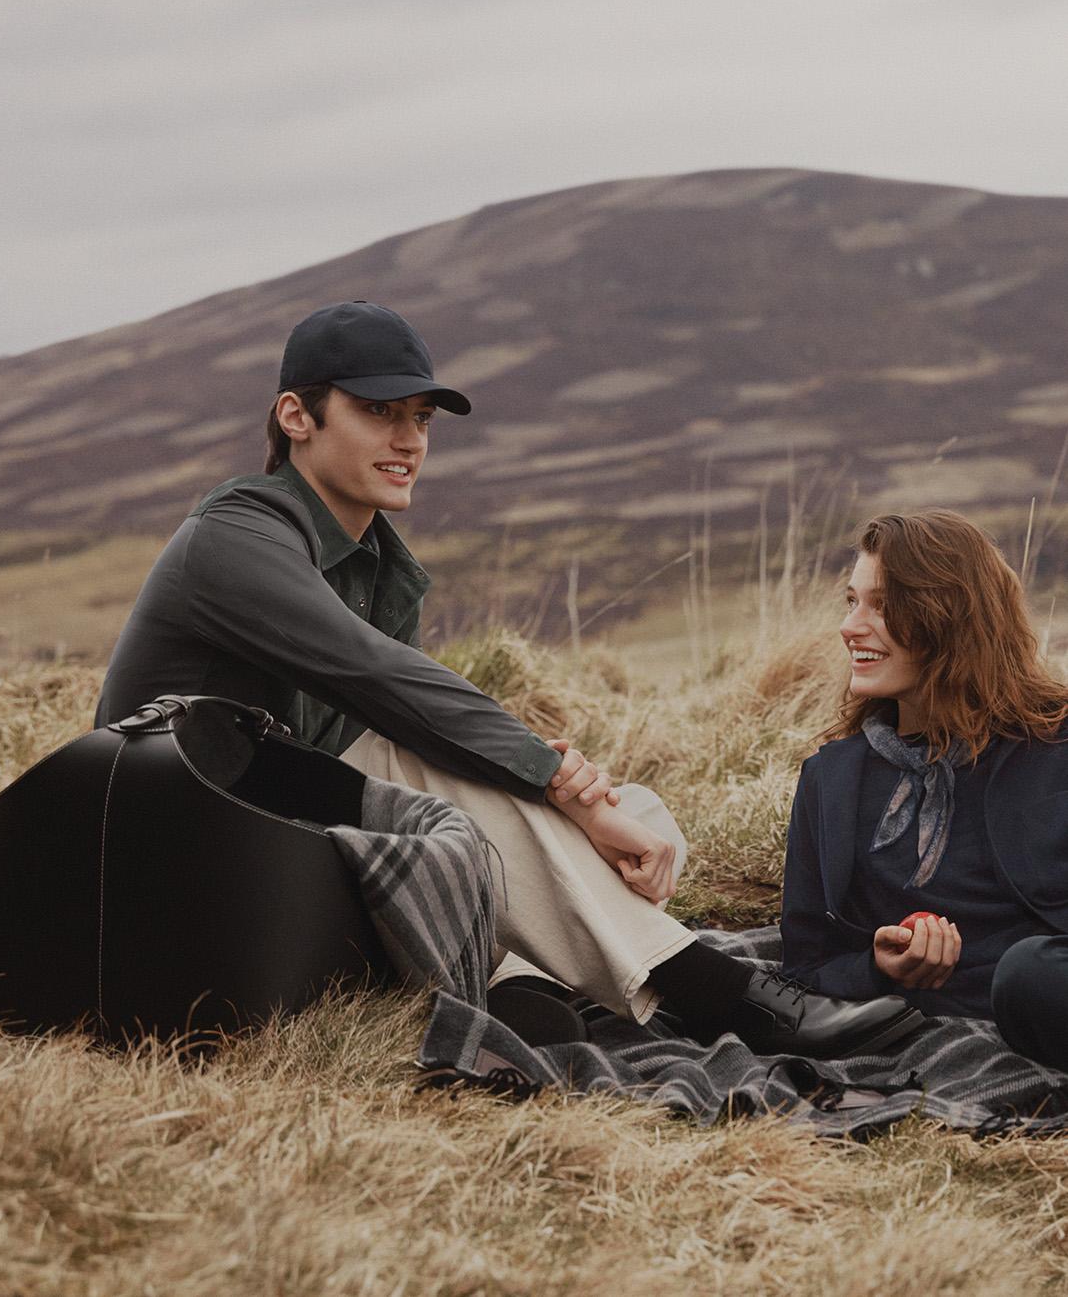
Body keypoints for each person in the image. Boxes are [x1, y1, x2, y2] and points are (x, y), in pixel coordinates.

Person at [97, 300, 920, 1056]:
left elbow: (396, 726)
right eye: (378, 412)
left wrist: (587, 799)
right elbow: (383, 680)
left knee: (637, 811)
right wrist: (561, 787)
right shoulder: (237, 533)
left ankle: (526, 987)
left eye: (421, 418)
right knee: (444, 767)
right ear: (296, 417)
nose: (409, 440)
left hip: (285, 843)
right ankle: (722, 993)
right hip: (173, 863)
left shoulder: (378, 568)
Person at [780, 509, 1068, 1071]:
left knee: (1032, 974)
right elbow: (804, 970)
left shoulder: (1056, 745)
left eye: (883, 605)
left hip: (1048, 990)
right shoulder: (829, 781)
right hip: (943, 1027)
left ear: (951, 616)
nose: (850, 627)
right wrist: (878, 967)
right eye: (852, 601)